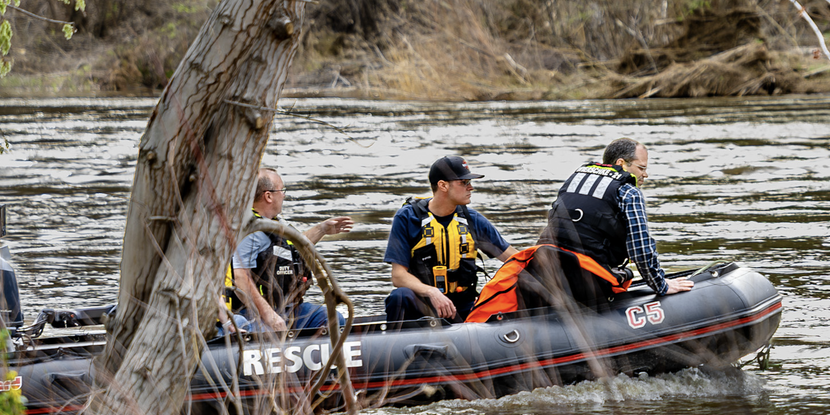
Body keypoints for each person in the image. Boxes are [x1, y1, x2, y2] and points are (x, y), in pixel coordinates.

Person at [537, 138, 693, 296]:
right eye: (641, 168)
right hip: (586, 279)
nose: (645, 174)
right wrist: (661, 285)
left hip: (544, 271)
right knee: (626, 274)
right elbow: (641, 250)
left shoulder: (575, 180)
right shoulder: (629, 192)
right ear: (621, 164)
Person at [383, 155, 518, 322]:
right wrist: (432, 292)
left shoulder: (472, 220)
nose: (471, 188)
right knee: (400, 296)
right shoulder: (408, 218)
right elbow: (398, 276)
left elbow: (514, 260)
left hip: (462, 306)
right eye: (464, 183)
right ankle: (395, 344)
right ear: (443, 185)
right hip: (424, 304)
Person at [225, 168, 353, 332]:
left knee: (333, 318)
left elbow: (294, 247)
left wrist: (322, 229)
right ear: (268, 196)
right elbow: (241, 278)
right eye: (282, 190)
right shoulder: (250, 232)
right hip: (255, 314)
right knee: (265, 333)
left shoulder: (277, 223)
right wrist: (269, 315)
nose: (284, 195)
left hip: (289, 309)